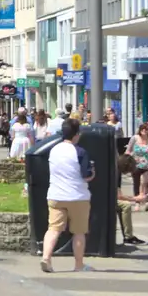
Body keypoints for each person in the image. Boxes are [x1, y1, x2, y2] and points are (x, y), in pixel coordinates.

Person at [39, 116, 94, 274]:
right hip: (77, 196)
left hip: (56, 195)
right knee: (78, 232)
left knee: (53, 229)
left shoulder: (54, 150)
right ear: (76, 134)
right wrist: (93, 172)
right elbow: (86, 175)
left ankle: (46, 258)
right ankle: (78, 265)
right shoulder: (80, 152)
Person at [114, 156, 148, 246]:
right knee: (125, 206)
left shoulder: (115, 170)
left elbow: (118, 195)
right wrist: (136, 199)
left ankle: (128, 236)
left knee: (123, 204)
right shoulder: (116, 173)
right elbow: (118, 196)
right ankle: (128, 237)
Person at [128, 123, 148, 206]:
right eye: (143, 129)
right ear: (140, 130)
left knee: (146, 182)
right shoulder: (134, 138)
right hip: (136, 164)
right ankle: (137, 202)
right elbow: (128, 150)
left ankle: (147, 201)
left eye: (146, 130)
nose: (144, 131)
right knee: (136, 183)